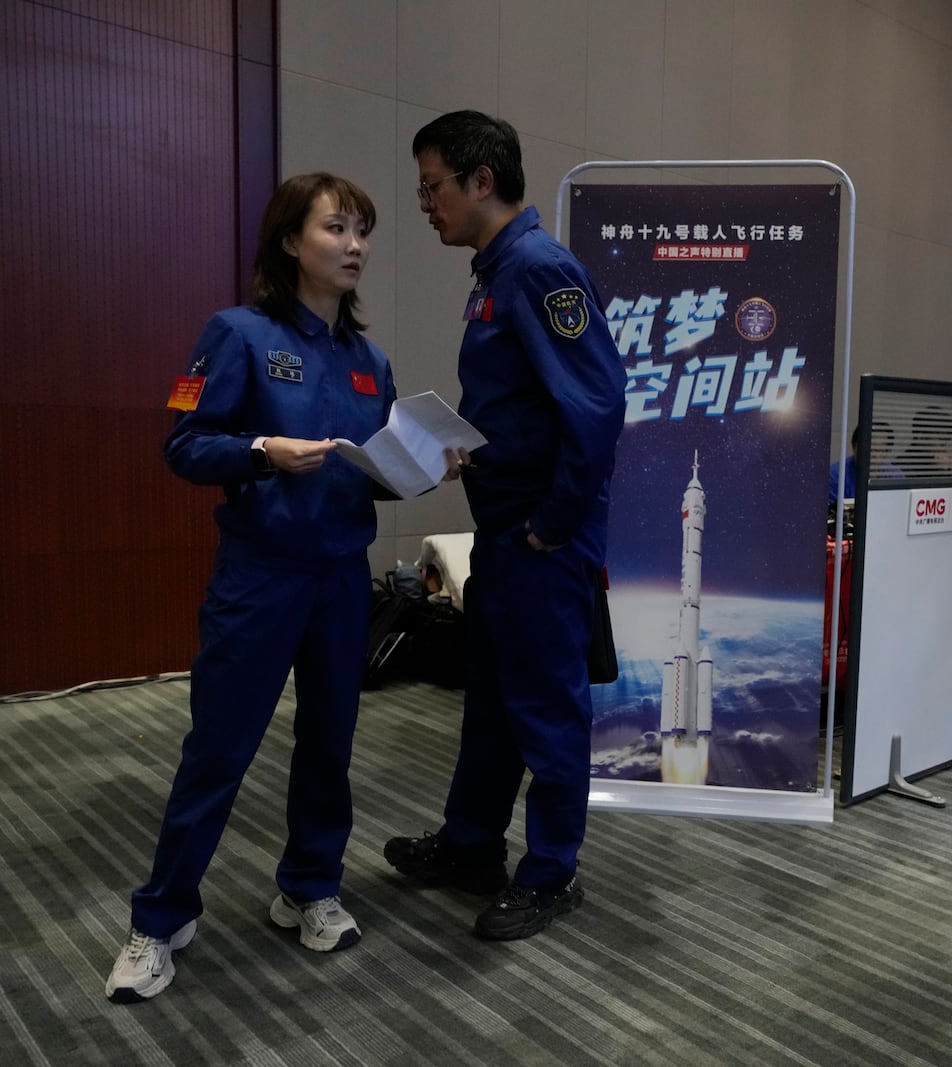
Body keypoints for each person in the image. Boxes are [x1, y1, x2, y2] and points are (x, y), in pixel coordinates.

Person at [105, 174, 397, 1002]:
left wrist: (418, 464)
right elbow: (181, 442)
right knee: (220, 747)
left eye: (363, 231)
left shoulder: (369, 361)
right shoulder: (231, 333)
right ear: (288, 240)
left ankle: (309, 884)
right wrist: (261, 448)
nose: (355, 245)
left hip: (342, 576)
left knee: (329, 744)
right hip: (260, 576)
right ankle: (160, 918)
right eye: (337, 227)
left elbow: (371, 468)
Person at [383, 111, 626, 941]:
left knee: (547, 707)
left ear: (481, 181)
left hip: (539, 537)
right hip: (506, 528)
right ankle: (472, 844)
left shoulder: (538, 270)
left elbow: (595, 410)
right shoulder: (494, 271)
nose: (424, 202)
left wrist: (553, 526)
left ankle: (552, 872)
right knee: (491, 700)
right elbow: (526, 407)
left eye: (432, 185)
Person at [827, 421, 903, 506]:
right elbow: (833, 514)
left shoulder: (895, 476)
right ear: (854, 447)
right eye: (870, 449)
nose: (873, 455)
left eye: (879, 450)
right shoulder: (836, 477)